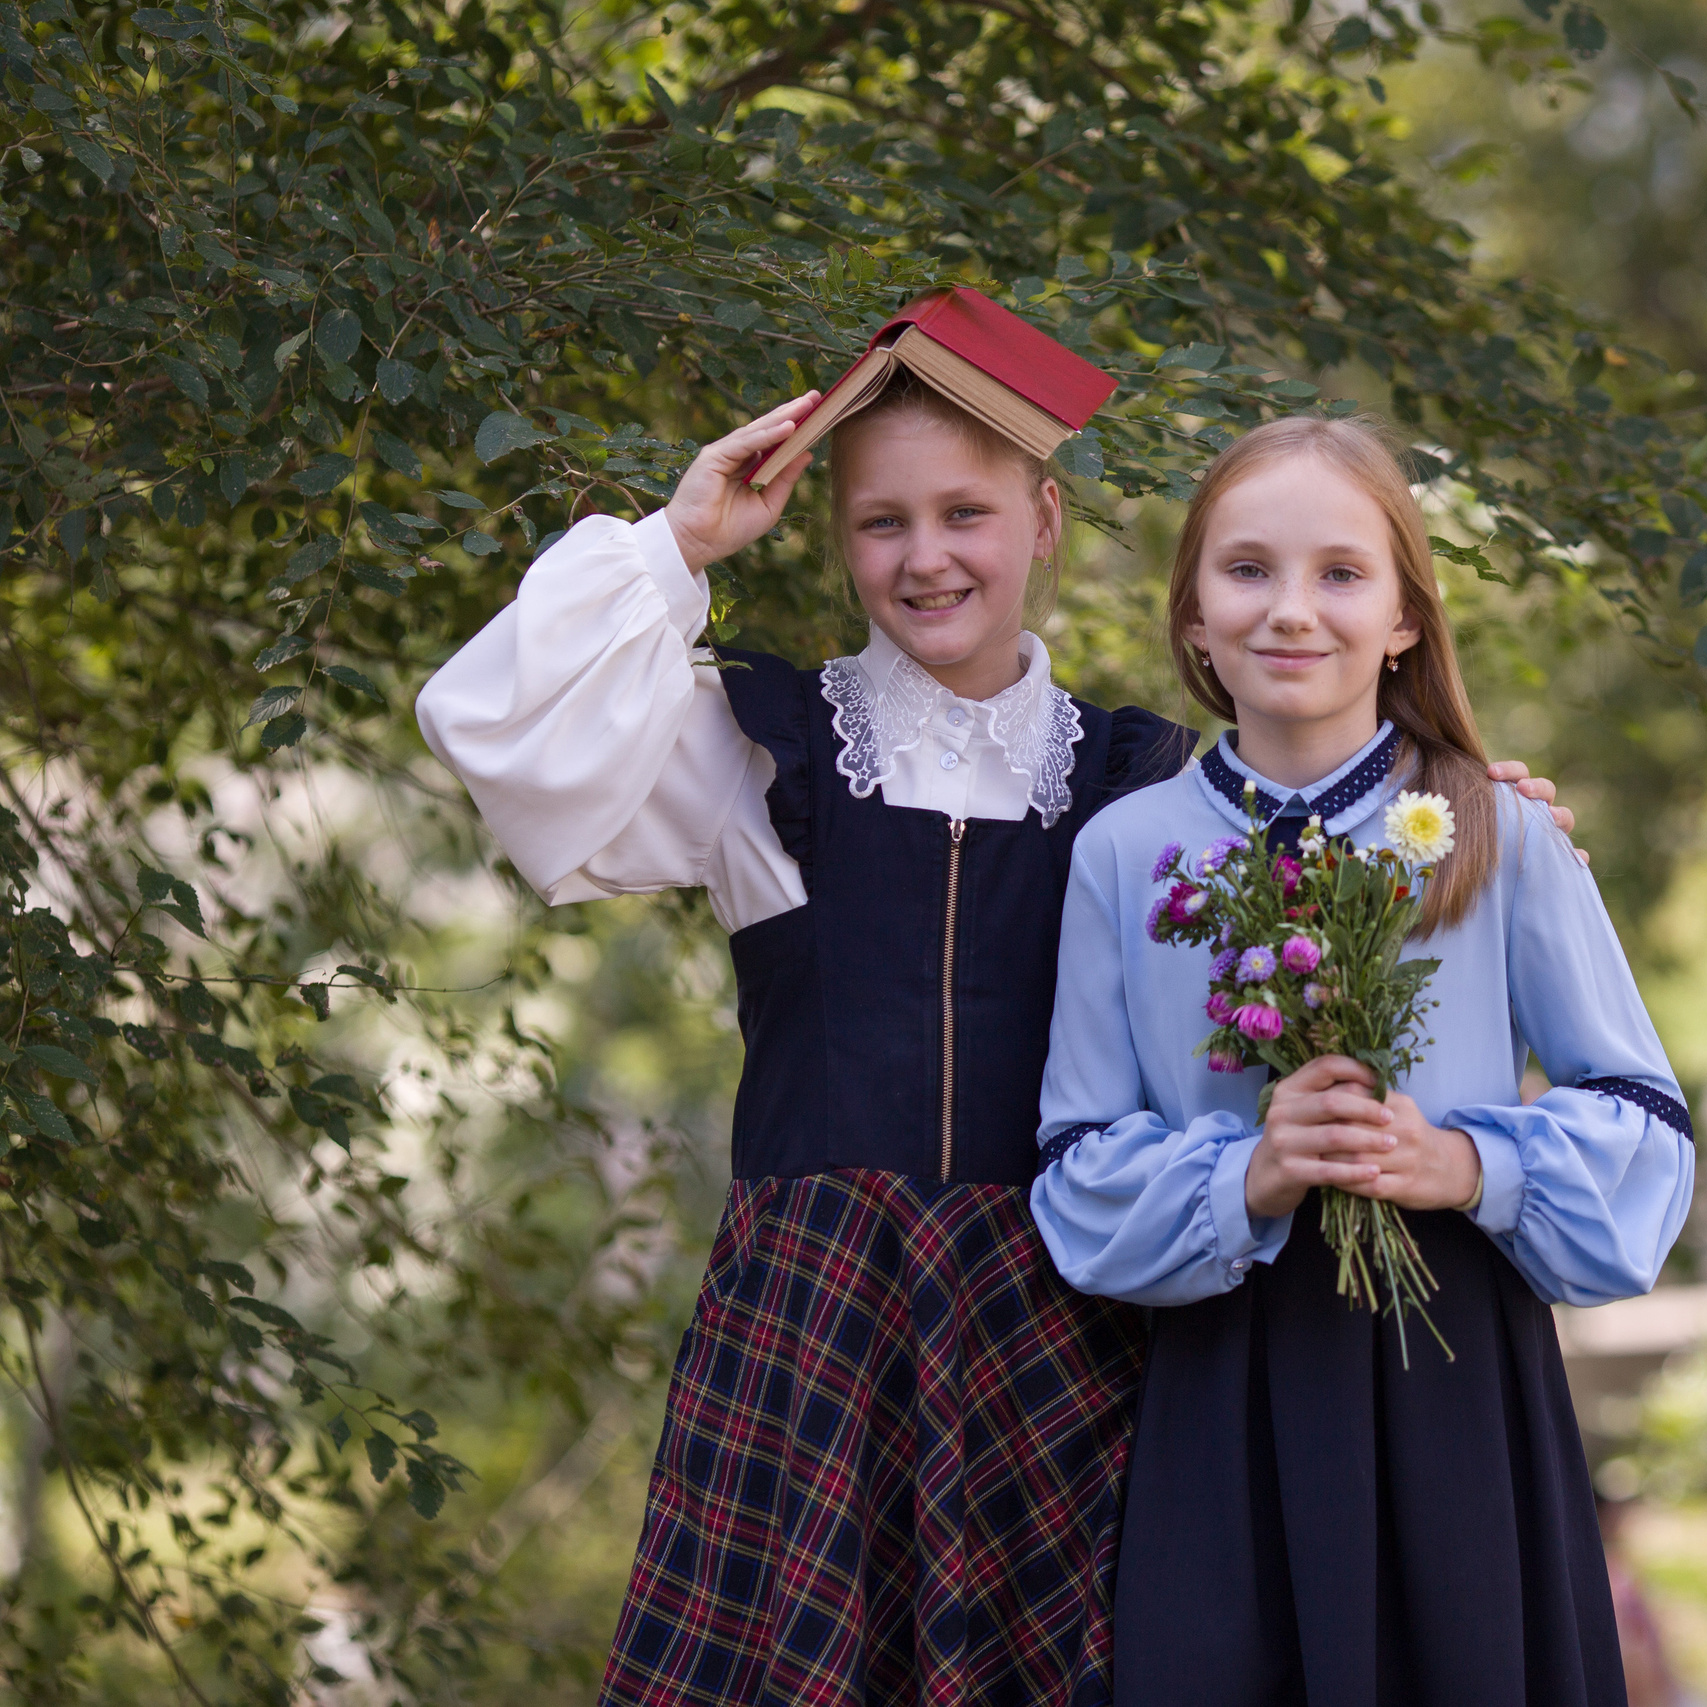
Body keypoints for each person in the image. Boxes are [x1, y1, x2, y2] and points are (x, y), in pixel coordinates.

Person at [416, 349, 1581, 1705]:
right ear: (837, 535)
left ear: (1042, 521)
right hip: (816, 1343)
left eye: (965, 514)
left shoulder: (1150, 789)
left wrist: (1456, 800)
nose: (926, 559)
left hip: (1073, 1336)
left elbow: (1325, 829)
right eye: (880, 522)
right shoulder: (756, 750)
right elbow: (494, 729)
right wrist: (680, 541)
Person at [1031, 415, 1697, 1707]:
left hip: (1457, 1389)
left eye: (1341, 573)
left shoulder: (1495, 833)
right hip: (1225, 1400)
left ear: (1404, 618)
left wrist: (1460, 1163)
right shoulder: (1125, 852)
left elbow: (1647, 1131)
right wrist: (1252, 1176)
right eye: (1247, 571)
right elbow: (1074, 1172)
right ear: (1191, 618)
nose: (1292, 612)